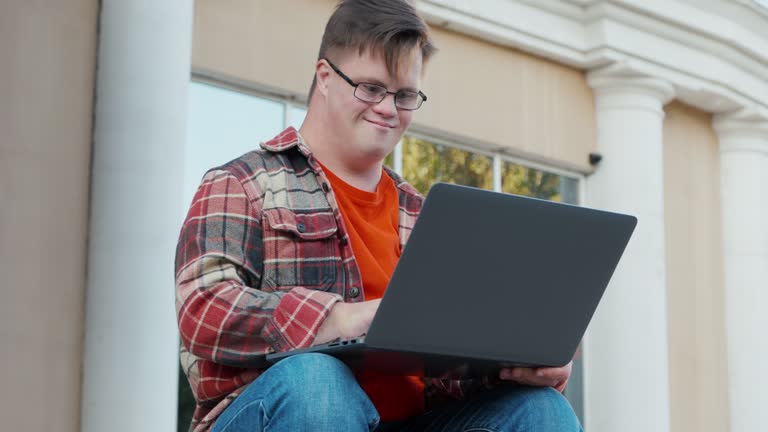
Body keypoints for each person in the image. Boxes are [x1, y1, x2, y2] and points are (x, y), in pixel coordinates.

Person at [175, 0, 582, 430]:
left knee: (542, 410)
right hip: (277, 413)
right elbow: (202, 309)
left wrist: (517, 366)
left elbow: (446, 374)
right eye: (370, 88)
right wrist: (342, 318)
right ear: (325, 77)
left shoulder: (427, 217)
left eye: (405, 95)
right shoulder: (241, 184)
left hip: (412, 422)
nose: (388, 108)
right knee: (318, 382)